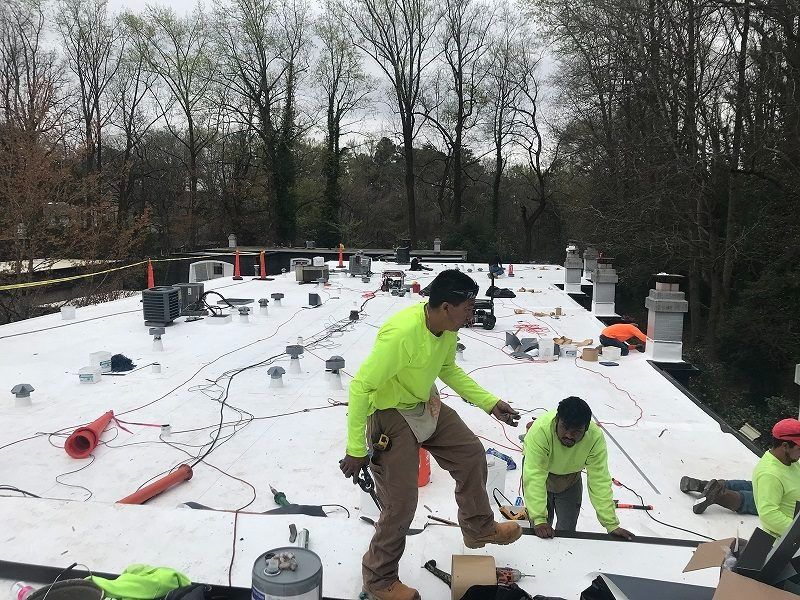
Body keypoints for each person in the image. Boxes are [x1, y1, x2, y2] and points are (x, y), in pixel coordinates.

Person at [340, 269, 523, 600]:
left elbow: (447, 368)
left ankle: (478, 527)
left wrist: (490, 403)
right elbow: (360, 386)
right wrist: (355, 449)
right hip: (389, 412)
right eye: (468, 308)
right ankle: (379, 579)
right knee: (402, 502)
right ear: (444, 307)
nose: (473, 314)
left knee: (470, 453)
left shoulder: (448, 329)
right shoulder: (402, 335)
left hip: (423, 400)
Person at [522, 396, 633, 540]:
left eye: (576, 431)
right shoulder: (540, 431)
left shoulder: (594, 438)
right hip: (542, 474)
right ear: (557, 420)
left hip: (570, 478)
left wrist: (611, 525)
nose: (568, 435)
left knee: (568, 531)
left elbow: (599, 479)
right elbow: (535, 475)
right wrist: (539, 519)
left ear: (586, 429)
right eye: (565, 427)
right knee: (540, 530)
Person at [683, 419, 800, 538]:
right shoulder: (771, 475)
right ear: (785, 446)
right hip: (782, 501)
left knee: (752, 486)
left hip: (784, 488)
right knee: (750, 501)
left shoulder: (783, 460)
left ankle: (704, 485)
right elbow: (768, 513)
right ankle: (718, 495)